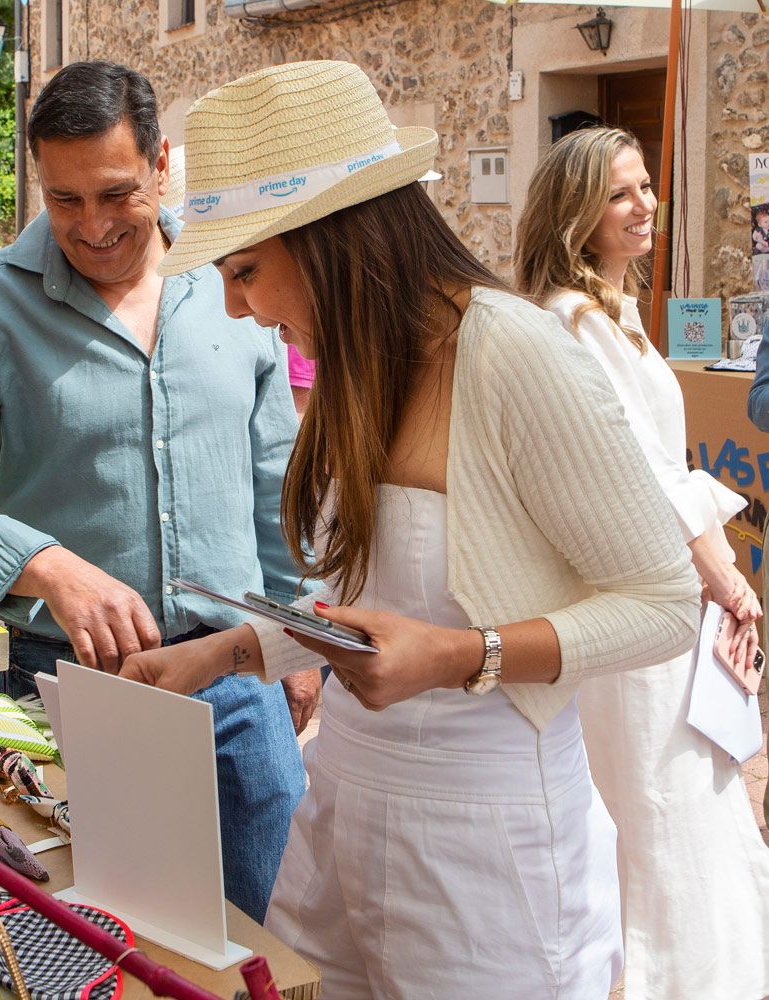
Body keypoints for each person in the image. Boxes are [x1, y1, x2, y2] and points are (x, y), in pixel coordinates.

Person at [119, 62, 699, 996]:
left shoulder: (514, 352)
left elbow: (668, 605)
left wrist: (463, 655)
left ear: (330, 242)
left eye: (244, 271)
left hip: (491, 856)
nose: (235, 307)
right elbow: (372, 605)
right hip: (341, 815)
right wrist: (225, 653)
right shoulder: (356, 363)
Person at [0, 61, 316, 923]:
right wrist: (41, 562)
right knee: (109, 948)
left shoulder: (233, 282)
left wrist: (295, 642)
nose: (93, 226)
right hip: (68, 696)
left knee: (269, 946)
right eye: (63, 200)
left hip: (240, 681)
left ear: (160, 164)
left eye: (115, 193)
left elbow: (276, 481)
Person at [515, 126, 769, 1000]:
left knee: (685, 791)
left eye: (648, 187)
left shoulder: (614, 316)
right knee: (658, 800)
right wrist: (728, 579)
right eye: (622, 192)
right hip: (634, 598)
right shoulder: (569, 321)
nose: (646, 204)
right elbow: (644, 475)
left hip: (659, 592)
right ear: (577, 212)